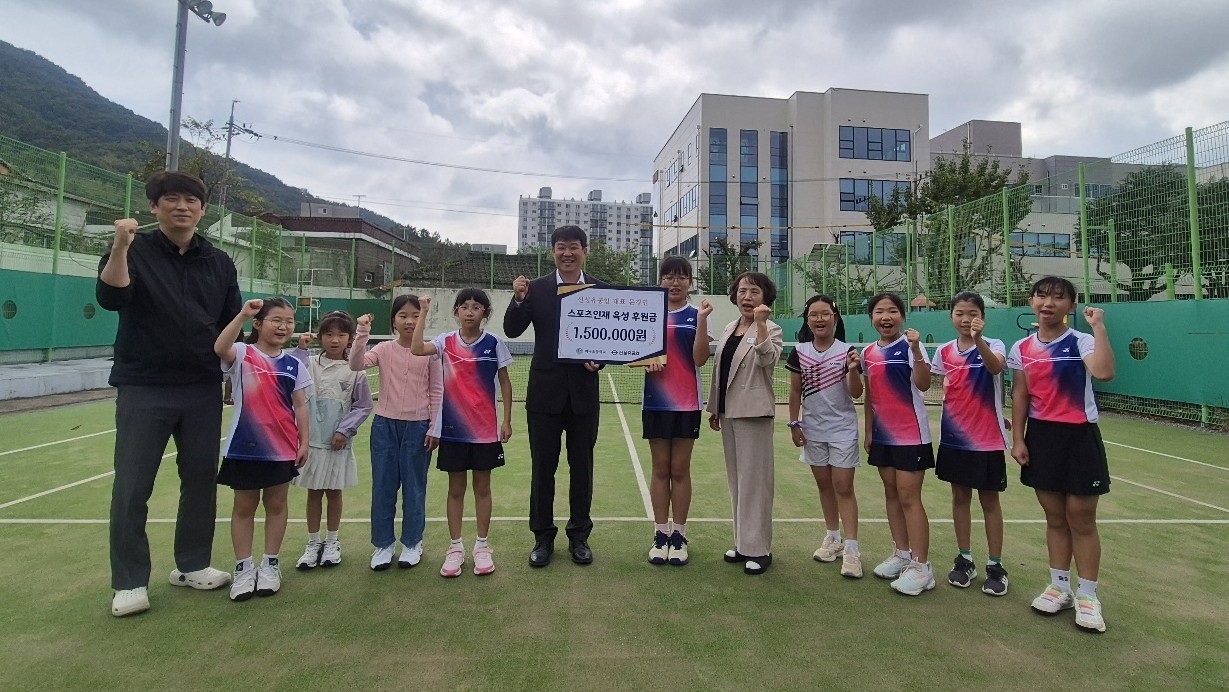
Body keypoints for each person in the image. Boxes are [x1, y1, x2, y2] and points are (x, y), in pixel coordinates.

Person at [97, 171, 241, 617]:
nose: (182, 206)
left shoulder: (218, 262)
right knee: (133, 484)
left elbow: (229, 324)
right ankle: (129, 582)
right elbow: (111, 297)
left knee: (200, 478)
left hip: (201, 386)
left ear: (202, 210)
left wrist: (241, 376)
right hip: (144, 385)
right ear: (155, 207)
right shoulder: (134, 250)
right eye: (171, 199)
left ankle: (192, 564)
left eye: (191, 200)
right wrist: (121, 245)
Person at [1008, 276, 1115, 633]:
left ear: (1071, 305)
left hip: (1080, 437)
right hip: (1042, 437)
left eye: (1058, 297)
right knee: (1054, 516)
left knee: (1081, 517)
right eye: (1041, 296)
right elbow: (1020, 395)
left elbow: (1103, 371)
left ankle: (1088, 595)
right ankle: (1059, 587)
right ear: (1031, 301)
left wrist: (1098, 326)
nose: (1048, 303)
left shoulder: (1082, 339)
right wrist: (1018, 439)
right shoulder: (1022, 347)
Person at [503, 226, 607, 568]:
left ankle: (579, 536)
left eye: (574, 247)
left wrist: (600, 358)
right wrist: (517, 300)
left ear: (584, 251)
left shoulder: (602, 291)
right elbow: (512, 330)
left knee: (583, 469)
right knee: (542, 469)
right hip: (544, 396)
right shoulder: (535, 289)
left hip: (583, 397)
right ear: (553, 252)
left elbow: (611, 339)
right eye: (561, 247)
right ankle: (542, 538)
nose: (567, 253)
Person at [410, 289, 513, 577]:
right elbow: (417, 349)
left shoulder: (494, 344)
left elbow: (505, 383)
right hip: (453, 432)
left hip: (485, 432)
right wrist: (424, 312)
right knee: (455, 490)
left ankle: (482, 546)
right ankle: (455, 547)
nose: (470, 311)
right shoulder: (444, 342)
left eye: (476, 307)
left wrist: (506, 420)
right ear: (456, 311)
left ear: (485, 314)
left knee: (482, 488)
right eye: (464, 307)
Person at [214, 297, 311, 601]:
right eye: (276, 320)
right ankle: (244, 568)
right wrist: (242, 313)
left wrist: (304, 441)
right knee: (244, 507)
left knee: (277, 505)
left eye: (289, 321)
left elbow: (300, 405)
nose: (284, 326)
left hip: (282, 448)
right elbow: (220, 348)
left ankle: (270, 564)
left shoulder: (294, 364)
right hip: (244, 447)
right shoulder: (242, 354)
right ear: (258, 324)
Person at [350, 296, 443, 571]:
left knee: (414, 488)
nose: (410, 321)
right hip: (384, 427)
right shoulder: (383, 349)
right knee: (383, 487)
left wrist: (434, 427)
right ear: (393, 321)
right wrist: (361, 333)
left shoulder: (430, 352)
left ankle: (412, 543)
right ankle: (383, 544)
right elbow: (355, 364)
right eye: (403, 315)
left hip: (418, 428)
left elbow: (437, 391)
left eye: (415, 315)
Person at [931, 292, 1010, 596]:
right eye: (960, 313)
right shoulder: (944, 352)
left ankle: (996, 565)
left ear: (983, 318)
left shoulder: (995, 345)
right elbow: (946, 387)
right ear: (951, 316)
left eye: (973, 314)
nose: (966, 319)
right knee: (959, 498)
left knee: (989, 501)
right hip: (954, 439)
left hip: (987, 441)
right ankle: (965, 559)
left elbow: (995, 368)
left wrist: (979, 340)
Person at [707, 272, 783, 576]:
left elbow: (768, 360)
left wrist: (762, 325)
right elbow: (720, 370)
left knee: (756, 483)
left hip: (753, 413)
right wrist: (715, 407)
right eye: (742, 291)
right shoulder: (729, 327)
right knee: (737, 481)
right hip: (729, 413)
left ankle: (759, 549)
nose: (747, 297)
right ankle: (743, 543)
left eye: (754, 291)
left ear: (765, 297)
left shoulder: (772, 328)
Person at [786, 294, 865, 578]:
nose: (819, 319)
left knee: (843, 486)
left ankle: (853, 548)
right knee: (824, 485)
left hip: (842, 429)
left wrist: (854, 370)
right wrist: (795, 423)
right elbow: (795, 392)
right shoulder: (800, 351)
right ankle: (833, 538)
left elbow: (856, 393)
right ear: (808, 320)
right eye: (814, 315)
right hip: (813, 429)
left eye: (825, 314)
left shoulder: (847, 351)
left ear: (834, 317)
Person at [861, 293, 935, 596]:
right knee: (891, 493)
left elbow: (924, 383)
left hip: (911, 436)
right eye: (879, 312)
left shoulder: (911, 347)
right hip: (883, 436)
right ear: (872, 318)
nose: (886, 317)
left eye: (892, 311)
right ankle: (902, 554)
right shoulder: (867, 352)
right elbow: (870, 395)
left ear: (902, 317)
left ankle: (922, 567)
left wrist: (916, 349)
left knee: (909, 497)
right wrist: (868, 431)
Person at [641, 257, 712, 566]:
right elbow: (633, 350)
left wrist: (704, 321)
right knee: (660, 469)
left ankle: (679, 535)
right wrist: (646, 359)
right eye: (668, 276)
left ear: (689, 282)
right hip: (655, 401)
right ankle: (660, 534)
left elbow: (700, 359)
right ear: (660, 281)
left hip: (687, 404)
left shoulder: (697, 314)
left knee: (680, 469)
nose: (674, 282)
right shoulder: (647, 313)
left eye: (681, 277)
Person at [290, 311, 373, 570]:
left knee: (334, 493)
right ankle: (313, 542)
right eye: (328, 334)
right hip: (312, 441)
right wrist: (301, 349)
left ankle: (333, 541)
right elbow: (292, 374)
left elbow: (363, 406)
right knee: (314, 493)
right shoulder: (310, 363)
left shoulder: (355, 371)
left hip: (337, 444)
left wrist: (344, 431)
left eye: (341, 335)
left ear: (350, 339)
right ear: (320, 337)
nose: (334, 340)